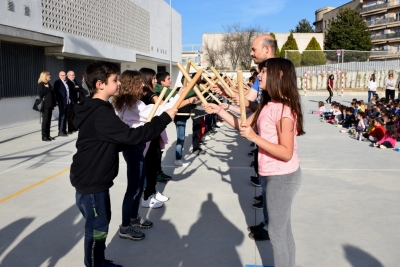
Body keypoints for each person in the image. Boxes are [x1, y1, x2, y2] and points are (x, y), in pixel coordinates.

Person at [70, 61, 177, 267]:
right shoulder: (100, 112)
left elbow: (111, 141)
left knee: (101, 223)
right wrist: (163, 119)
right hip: (92, 181)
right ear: (100, 84)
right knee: (97, 227)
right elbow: (130, 136)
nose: (119, 83)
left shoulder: (99, 108)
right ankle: (95, 263)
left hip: (94, 179)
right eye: (114, 80)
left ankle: (98, 260)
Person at [205, 58, 304, 266]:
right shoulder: (267, 104)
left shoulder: (284, 110)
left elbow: (286, 152)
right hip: (271, 174)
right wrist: (220, 111)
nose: (259, 76)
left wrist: (255, 138)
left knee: (277, 233)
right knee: (283, 230)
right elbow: (243, 128)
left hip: (283, 176)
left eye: (264, 72)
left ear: (279, 76)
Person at [113, 70, 184, 240]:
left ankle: (133, 218)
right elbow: (157, 111)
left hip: (136, 148)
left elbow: (156, 109)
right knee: (134, 188)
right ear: (132, 85)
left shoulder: (129, 103)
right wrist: (178, 97)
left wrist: (178, 96)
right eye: (139, 83)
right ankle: (125, 226)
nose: (143, 86)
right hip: (133, 149)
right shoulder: (131, 106)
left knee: (138, 186)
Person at [37, 71, 56, 141]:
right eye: (48, 76)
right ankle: (44, 136)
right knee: (45, 121)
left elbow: (52, 94)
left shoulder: (48, 84)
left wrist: (53, 104)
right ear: (45, 77)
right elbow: (40, 94)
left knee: (49, 121)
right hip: (45, 105)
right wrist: (47, 88)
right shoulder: (41, 84)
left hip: (50, 105)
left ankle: (48, 135)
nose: (50, 77)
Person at [54, 71, 70, 136]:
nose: (64, 76)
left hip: (67, 101)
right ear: (59, 76)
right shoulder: (57, 82)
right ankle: (60, 131)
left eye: (65, 75)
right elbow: (56, 92)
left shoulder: (66, 82)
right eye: (63, 75)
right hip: (62, 102)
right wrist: (59, 101)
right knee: (62, 116)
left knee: (65, 116)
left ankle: (64, 130)